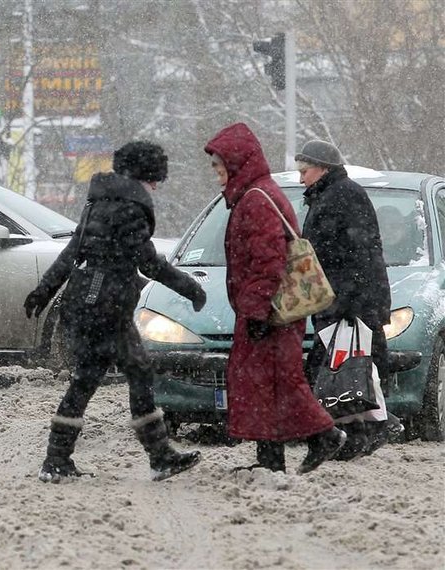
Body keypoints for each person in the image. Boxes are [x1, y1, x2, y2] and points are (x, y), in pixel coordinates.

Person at [24, 141, 206, 483]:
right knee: (136, 372)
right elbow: (149, 262)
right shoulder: (131, 208)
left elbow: (73, 250)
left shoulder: (100, 202)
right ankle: (159, 456)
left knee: (89, 379)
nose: (156, 187)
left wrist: (44, 290)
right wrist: (190, 288)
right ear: (144, 175)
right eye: (155, 179)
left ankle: (57, 459)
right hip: (110, 305)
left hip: (86, 301)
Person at [204, 123, 346, 474]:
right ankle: (272, 459)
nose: (219, 178)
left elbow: (268, 260)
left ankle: (324, 435)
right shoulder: (256, 194)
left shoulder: (255, 199)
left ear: (237, 166)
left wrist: (254, 311)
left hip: (270, 313)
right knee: (265, 385)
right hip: (268, 310)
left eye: (221, 169)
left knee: (281, 381)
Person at [297, 139, 393, 458]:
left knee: (341, 374)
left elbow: (361, 254)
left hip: (349, 304)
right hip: (342, 301)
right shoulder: (328, 195)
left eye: (305, 170)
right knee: (342, 374)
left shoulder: (343, 195)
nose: (301, 178)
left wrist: (349, 302)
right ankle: (357, 435)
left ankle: (367, 432)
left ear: (323, 168)